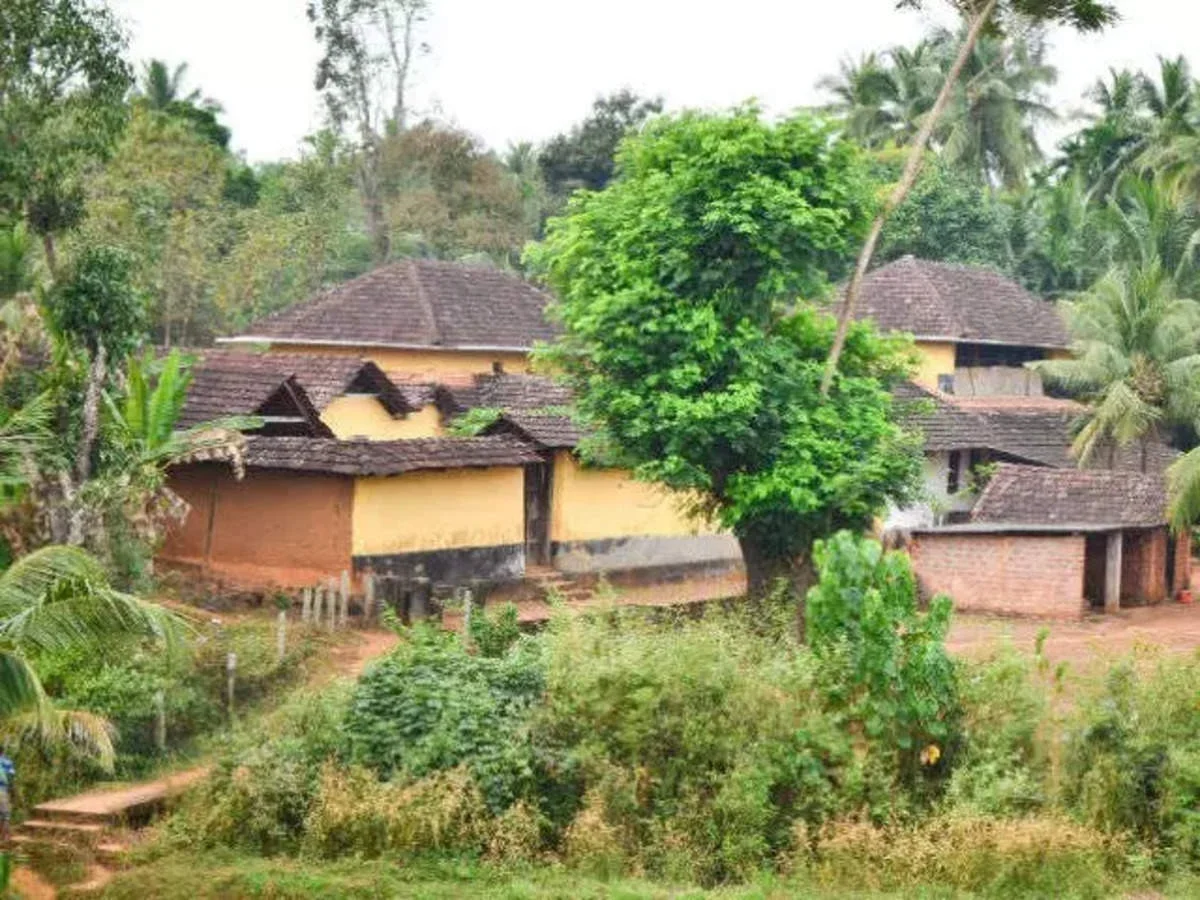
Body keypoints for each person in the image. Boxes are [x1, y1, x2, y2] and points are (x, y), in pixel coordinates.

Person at [0, 750, 14, 845]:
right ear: (2, 752)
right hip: (2, 790)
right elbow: (11, 776)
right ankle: (5, 837)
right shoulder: (6, 762)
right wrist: (12, 789)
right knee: (5, 814)